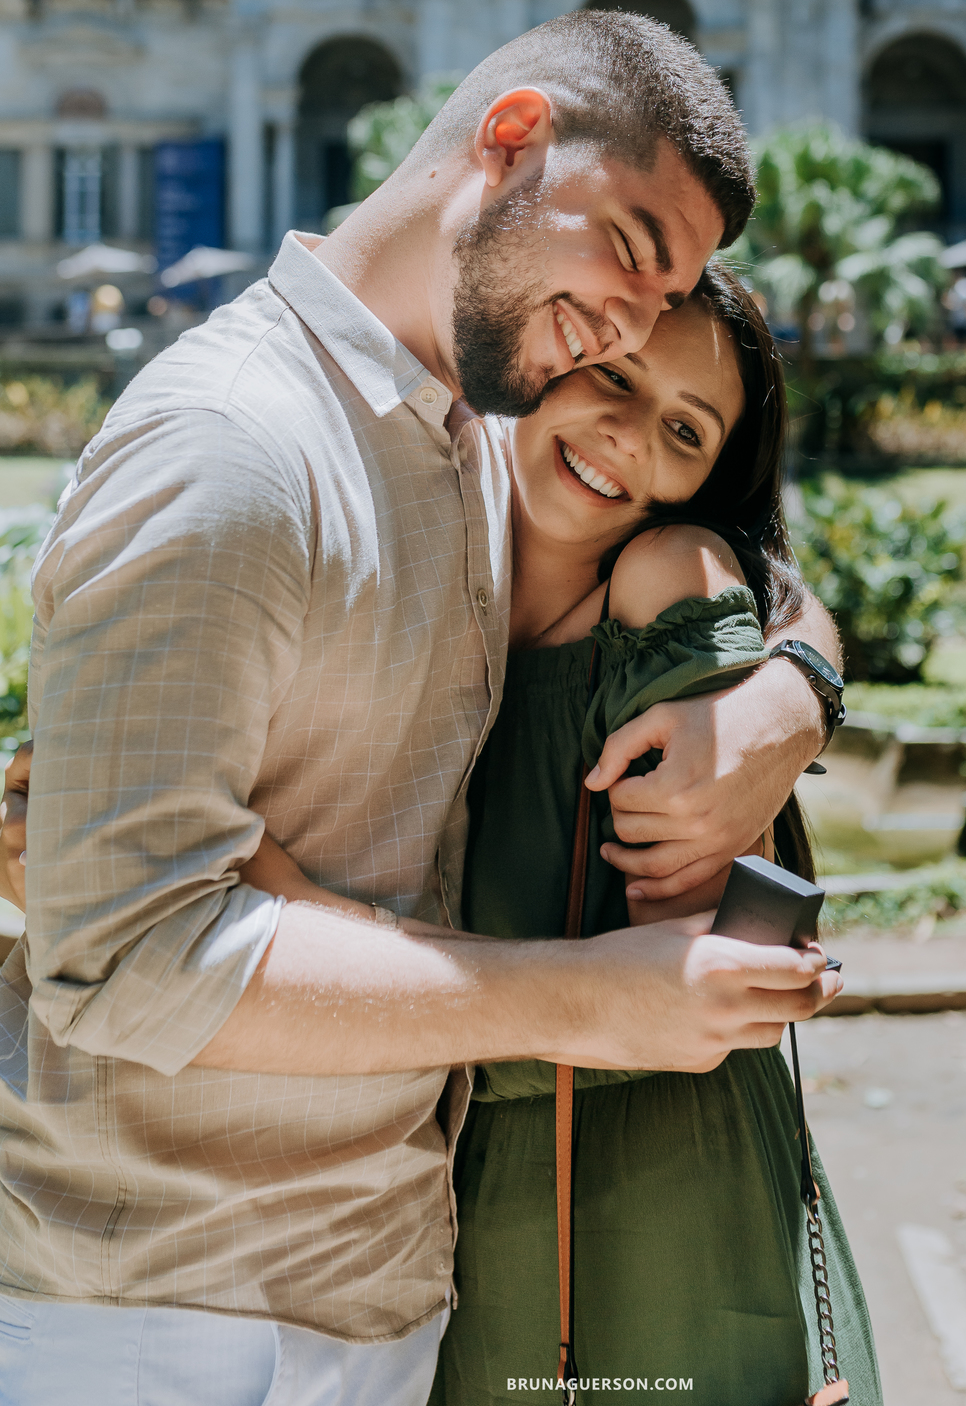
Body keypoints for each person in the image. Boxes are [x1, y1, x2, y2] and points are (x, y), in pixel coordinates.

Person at [0, 12, 843, 1406]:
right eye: (631, 248)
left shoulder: (460, 437)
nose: (629, 323)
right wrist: (582, 1002)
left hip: (371, 1290)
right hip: (162, 1312)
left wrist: (791, 685)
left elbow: (739, 551)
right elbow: (128, 949)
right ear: (509, 137)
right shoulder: (238, 444)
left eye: (662, 301)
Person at [236, 264, 881, 1405]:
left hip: (651, 1206)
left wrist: (274, 896)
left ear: (702, 478)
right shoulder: (411, 567)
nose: (628, 436)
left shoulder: (662, 580)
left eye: (684, 427)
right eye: (615, 378)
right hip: (432, 1212)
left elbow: (693, 989)